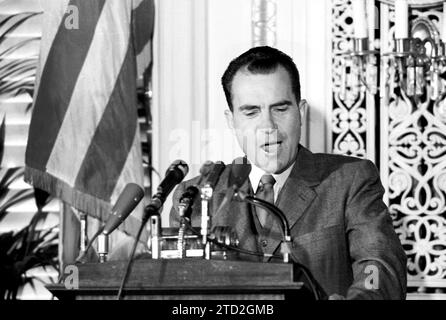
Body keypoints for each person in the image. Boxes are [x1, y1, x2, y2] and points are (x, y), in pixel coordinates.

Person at [170, 46, 407, 300]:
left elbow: (378, 264)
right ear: (231, 121)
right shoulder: (194, 197)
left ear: (300, 112)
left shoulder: (350, 180)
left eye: (280, 109)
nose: (268, 126)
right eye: (251, 112)